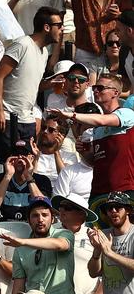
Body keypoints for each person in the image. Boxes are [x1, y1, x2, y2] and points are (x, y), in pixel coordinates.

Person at [48, 73, 134, 204]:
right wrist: (84, 153)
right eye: (94, 88)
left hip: (124, 189)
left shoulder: (127, 114)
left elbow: (103, 120)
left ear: (115, 93)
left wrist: (72, 115)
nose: (95, 91)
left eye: (100, 88)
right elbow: (96, 162)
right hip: (99, 192)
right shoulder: (97, 130)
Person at [0, 7, 62, 161]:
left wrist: (49, 83)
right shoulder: (22, 44)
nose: (62, 30)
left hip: (27, 120)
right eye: (59, 25)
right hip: (8, 118)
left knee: (26, 165)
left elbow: (30, 85)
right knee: (12, 165)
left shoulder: (43, 53)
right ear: (47, 27)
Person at [3, 197, 78, 294]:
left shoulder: (64, 234)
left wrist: (24, 242)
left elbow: (59, 245)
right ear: (28, 220)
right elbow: (18, 289)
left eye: (45, 215)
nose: (40, 219)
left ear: (53, 218)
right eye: (35, 216)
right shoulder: (20, 249)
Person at [51, 193, 101, 294]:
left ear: (82, 214)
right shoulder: (51, 234)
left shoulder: (95, 237)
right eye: (61, 207)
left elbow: (108, 275)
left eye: (68, 208)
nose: (62, 211)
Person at [88, 192, 134, 294]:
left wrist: (110, 252)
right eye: (109, 208)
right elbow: (93, 272)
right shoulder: (104, 235)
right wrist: (97, 251)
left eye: (118, 207)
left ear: (128, 210)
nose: (113, 211)